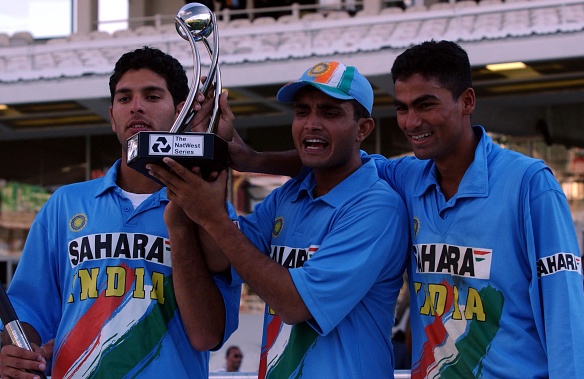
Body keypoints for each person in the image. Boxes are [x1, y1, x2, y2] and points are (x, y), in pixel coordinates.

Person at [200, 41, 584, 378]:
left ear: (467, 101)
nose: (411, 122)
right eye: (403, 108)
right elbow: (336, 159)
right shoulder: (408, 177)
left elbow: (565, 313)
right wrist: (250, 159)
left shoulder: (529, 184)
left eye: (426, 105)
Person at [147, 61, 410, 378]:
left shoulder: (377, 207)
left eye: (329, 112)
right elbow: (221, 258)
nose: (311, 123)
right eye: (302, 112)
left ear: (363, 129)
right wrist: (208, 156)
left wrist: (213, 217)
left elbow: (295, 305)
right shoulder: (289, 196)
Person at [0, 46, 242, 378]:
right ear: (113, 116)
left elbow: (207, 335)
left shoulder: (211, 211)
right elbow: (30, 311)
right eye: (124, 98)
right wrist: (15, 352)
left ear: (180, 113)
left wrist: (185, 217)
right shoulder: (65, 204)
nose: (137, 106)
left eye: (152, 96)